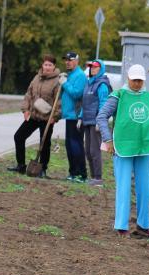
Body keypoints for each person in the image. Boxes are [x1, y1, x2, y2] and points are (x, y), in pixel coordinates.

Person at [97, 64, 149, 237]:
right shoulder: (118, 96)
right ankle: (121, 226)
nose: (138, 83)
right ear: (128, 78)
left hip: (144, 147)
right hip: (123, 147)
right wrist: (108, 139)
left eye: (140, 80)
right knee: (123, 187)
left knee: (145, 187)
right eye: (135, 80)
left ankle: (143, 224)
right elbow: (102, 116)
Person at [9, 54, 63, 177]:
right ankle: (21, 165)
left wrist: (55, 117)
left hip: (47, 118)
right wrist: (25, 109)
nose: (47, 67)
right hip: (33, 116)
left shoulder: (57, 81)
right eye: (45, 64)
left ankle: (42, 169)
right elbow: (29, 94)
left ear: (54, 66)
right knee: (19, 136)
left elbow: (59, 100)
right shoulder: (36, 78)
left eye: (50, 65)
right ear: (42, 65)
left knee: (44, 143)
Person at [81, 60, 111, 186]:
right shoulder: (89, 83)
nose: (92, 69)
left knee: (94, 150)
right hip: (87, 120)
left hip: (96, 121)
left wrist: (100, 120)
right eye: (91, 67)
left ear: (101, 69)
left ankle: (98, 178)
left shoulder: (102, 84)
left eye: (95, 67)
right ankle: (93, 177)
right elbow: (85, 102)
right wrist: (80, 117)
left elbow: (104, 103)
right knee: (87, 150)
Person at [59, 51, 88, 182]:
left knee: (76, 145)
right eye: (66, 60)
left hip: (76, 116)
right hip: (69, 115)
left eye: (70, 60)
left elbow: (77, 93)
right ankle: (72, 172)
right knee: (69, 145)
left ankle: (81, 174)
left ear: (76, 61)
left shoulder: (80, 75)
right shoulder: (70, 75)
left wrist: (65, 83)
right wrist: (62, 81)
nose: (67, 62)